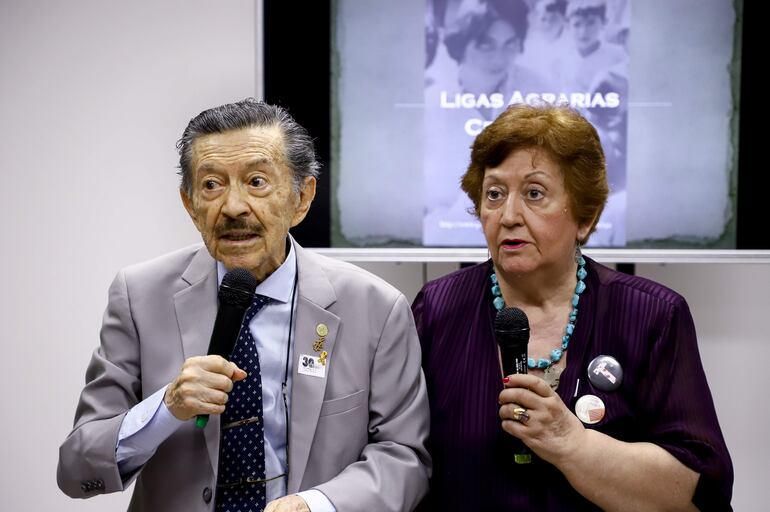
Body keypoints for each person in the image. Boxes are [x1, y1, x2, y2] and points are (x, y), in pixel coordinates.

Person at [57, 99, 431, 512]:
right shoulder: (139, 296)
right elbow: (75, 468)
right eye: (212, 185)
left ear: (301, 198)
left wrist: (317, 505)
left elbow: (405, 457)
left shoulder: (375, 308)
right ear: (190, 206)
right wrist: (165, 408)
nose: (233, 207)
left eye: (256, 181)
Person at [413, 103, 733, 510]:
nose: (508, 215)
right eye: (494, 194)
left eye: (534, 193)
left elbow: (699, 492)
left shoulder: (652, 315)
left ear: (585, 216)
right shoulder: (437, 310)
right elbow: (403, 457)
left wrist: (571, 442)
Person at [423, 0, 546, 246]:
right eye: (485, 44)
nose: (499, 58)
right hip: (445, 231)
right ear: (461, 45)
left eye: (509, 44)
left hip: (527, 234)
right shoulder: (432, 99)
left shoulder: (539, 90)